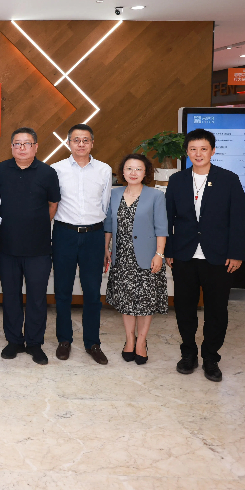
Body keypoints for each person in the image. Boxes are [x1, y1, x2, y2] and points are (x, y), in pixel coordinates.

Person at [165, 128, 245, 382]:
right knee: (184, 308)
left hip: (219, 257)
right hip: (184, 255)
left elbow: (238, 219)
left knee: (217, 310)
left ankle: (211, 357)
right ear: (187, 152)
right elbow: (167, 218)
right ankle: (188, 353)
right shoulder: (177, 180)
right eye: (193, 149)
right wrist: (168, 250)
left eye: (203, 149)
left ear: (212, 151)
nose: (198, 153)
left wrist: (236, 253)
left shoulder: (229, 179)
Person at [0, 127, 60, 366]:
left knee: (36, 298)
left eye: (27, 143)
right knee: (11, 296)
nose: (22, 148)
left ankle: (34, 343)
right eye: (17, 143)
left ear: (36, 147)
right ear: (11, 147)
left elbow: (53, 204)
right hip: (8, 247)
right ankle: (14, 340)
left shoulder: (47, 172)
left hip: (39, 249)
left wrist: (36, 224)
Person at [50, 123, 113, 365]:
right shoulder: (56, 169)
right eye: (76, 140)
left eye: (85, 140)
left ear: (92, 143)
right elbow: (52, 203)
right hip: (64, 234)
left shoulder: (104, 170)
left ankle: (92, 343)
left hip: (94, 236)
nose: (81, 144)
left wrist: (106, 244)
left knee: (92, 293)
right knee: (62, 291)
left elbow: (105, 206)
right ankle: (64, 340)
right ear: (68, 143)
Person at [104, 154, 168, 365]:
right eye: (129, 168)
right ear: (122, 172)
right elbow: (108, 225)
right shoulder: (114, 194)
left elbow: (161, 228)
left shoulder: (155, 196)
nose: (133, 173)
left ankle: (141, 341)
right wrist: (106, 248)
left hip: (147, 258)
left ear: (145, 172)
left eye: (138, 169)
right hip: (122, 257)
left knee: (145, 303)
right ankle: (129, 339)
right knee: (126, 301)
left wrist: (159, 254)